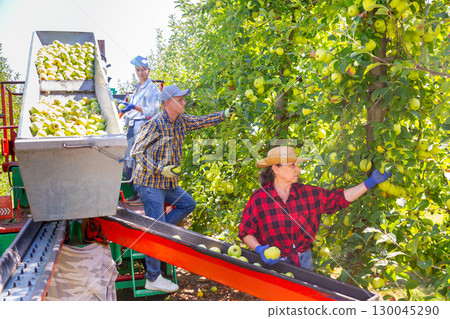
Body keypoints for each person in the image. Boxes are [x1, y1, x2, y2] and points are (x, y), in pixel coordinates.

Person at [131, 84, 235, 292]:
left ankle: (158, 231)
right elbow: (137, 152)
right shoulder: (155, 125)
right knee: (157, 231)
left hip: (167, 183)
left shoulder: (181, 121)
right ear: (168, 103)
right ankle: (152, 277)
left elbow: (201, 121)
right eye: (181, 99)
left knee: (187, 204)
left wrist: (223, 114)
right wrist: (161, 169)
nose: (185, 102)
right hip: (150, 183)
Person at [239, 146, 391, 271]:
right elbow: (246, 232)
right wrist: (259, 249)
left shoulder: (308, 194)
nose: (298, 169)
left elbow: (340, 198)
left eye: (297, 165)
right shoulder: (260, 198)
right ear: (276, 169)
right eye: (292, 165)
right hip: (274, 263)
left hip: (304, 262)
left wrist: (370, 182)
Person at [118, 55, 161, 205]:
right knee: (128, 160)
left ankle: (143, 196)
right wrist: (125, 109)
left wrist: (133, 107)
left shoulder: (152, 89)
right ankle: (136, 192)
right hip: (132, 125)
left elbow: (152, 111)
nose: (141, 72)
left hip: (143, 127)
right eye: (138, 70)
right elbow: (133, 110)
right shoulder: (137, 87)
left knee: (139, 161)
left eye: (143, 70)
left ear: (148, 70)